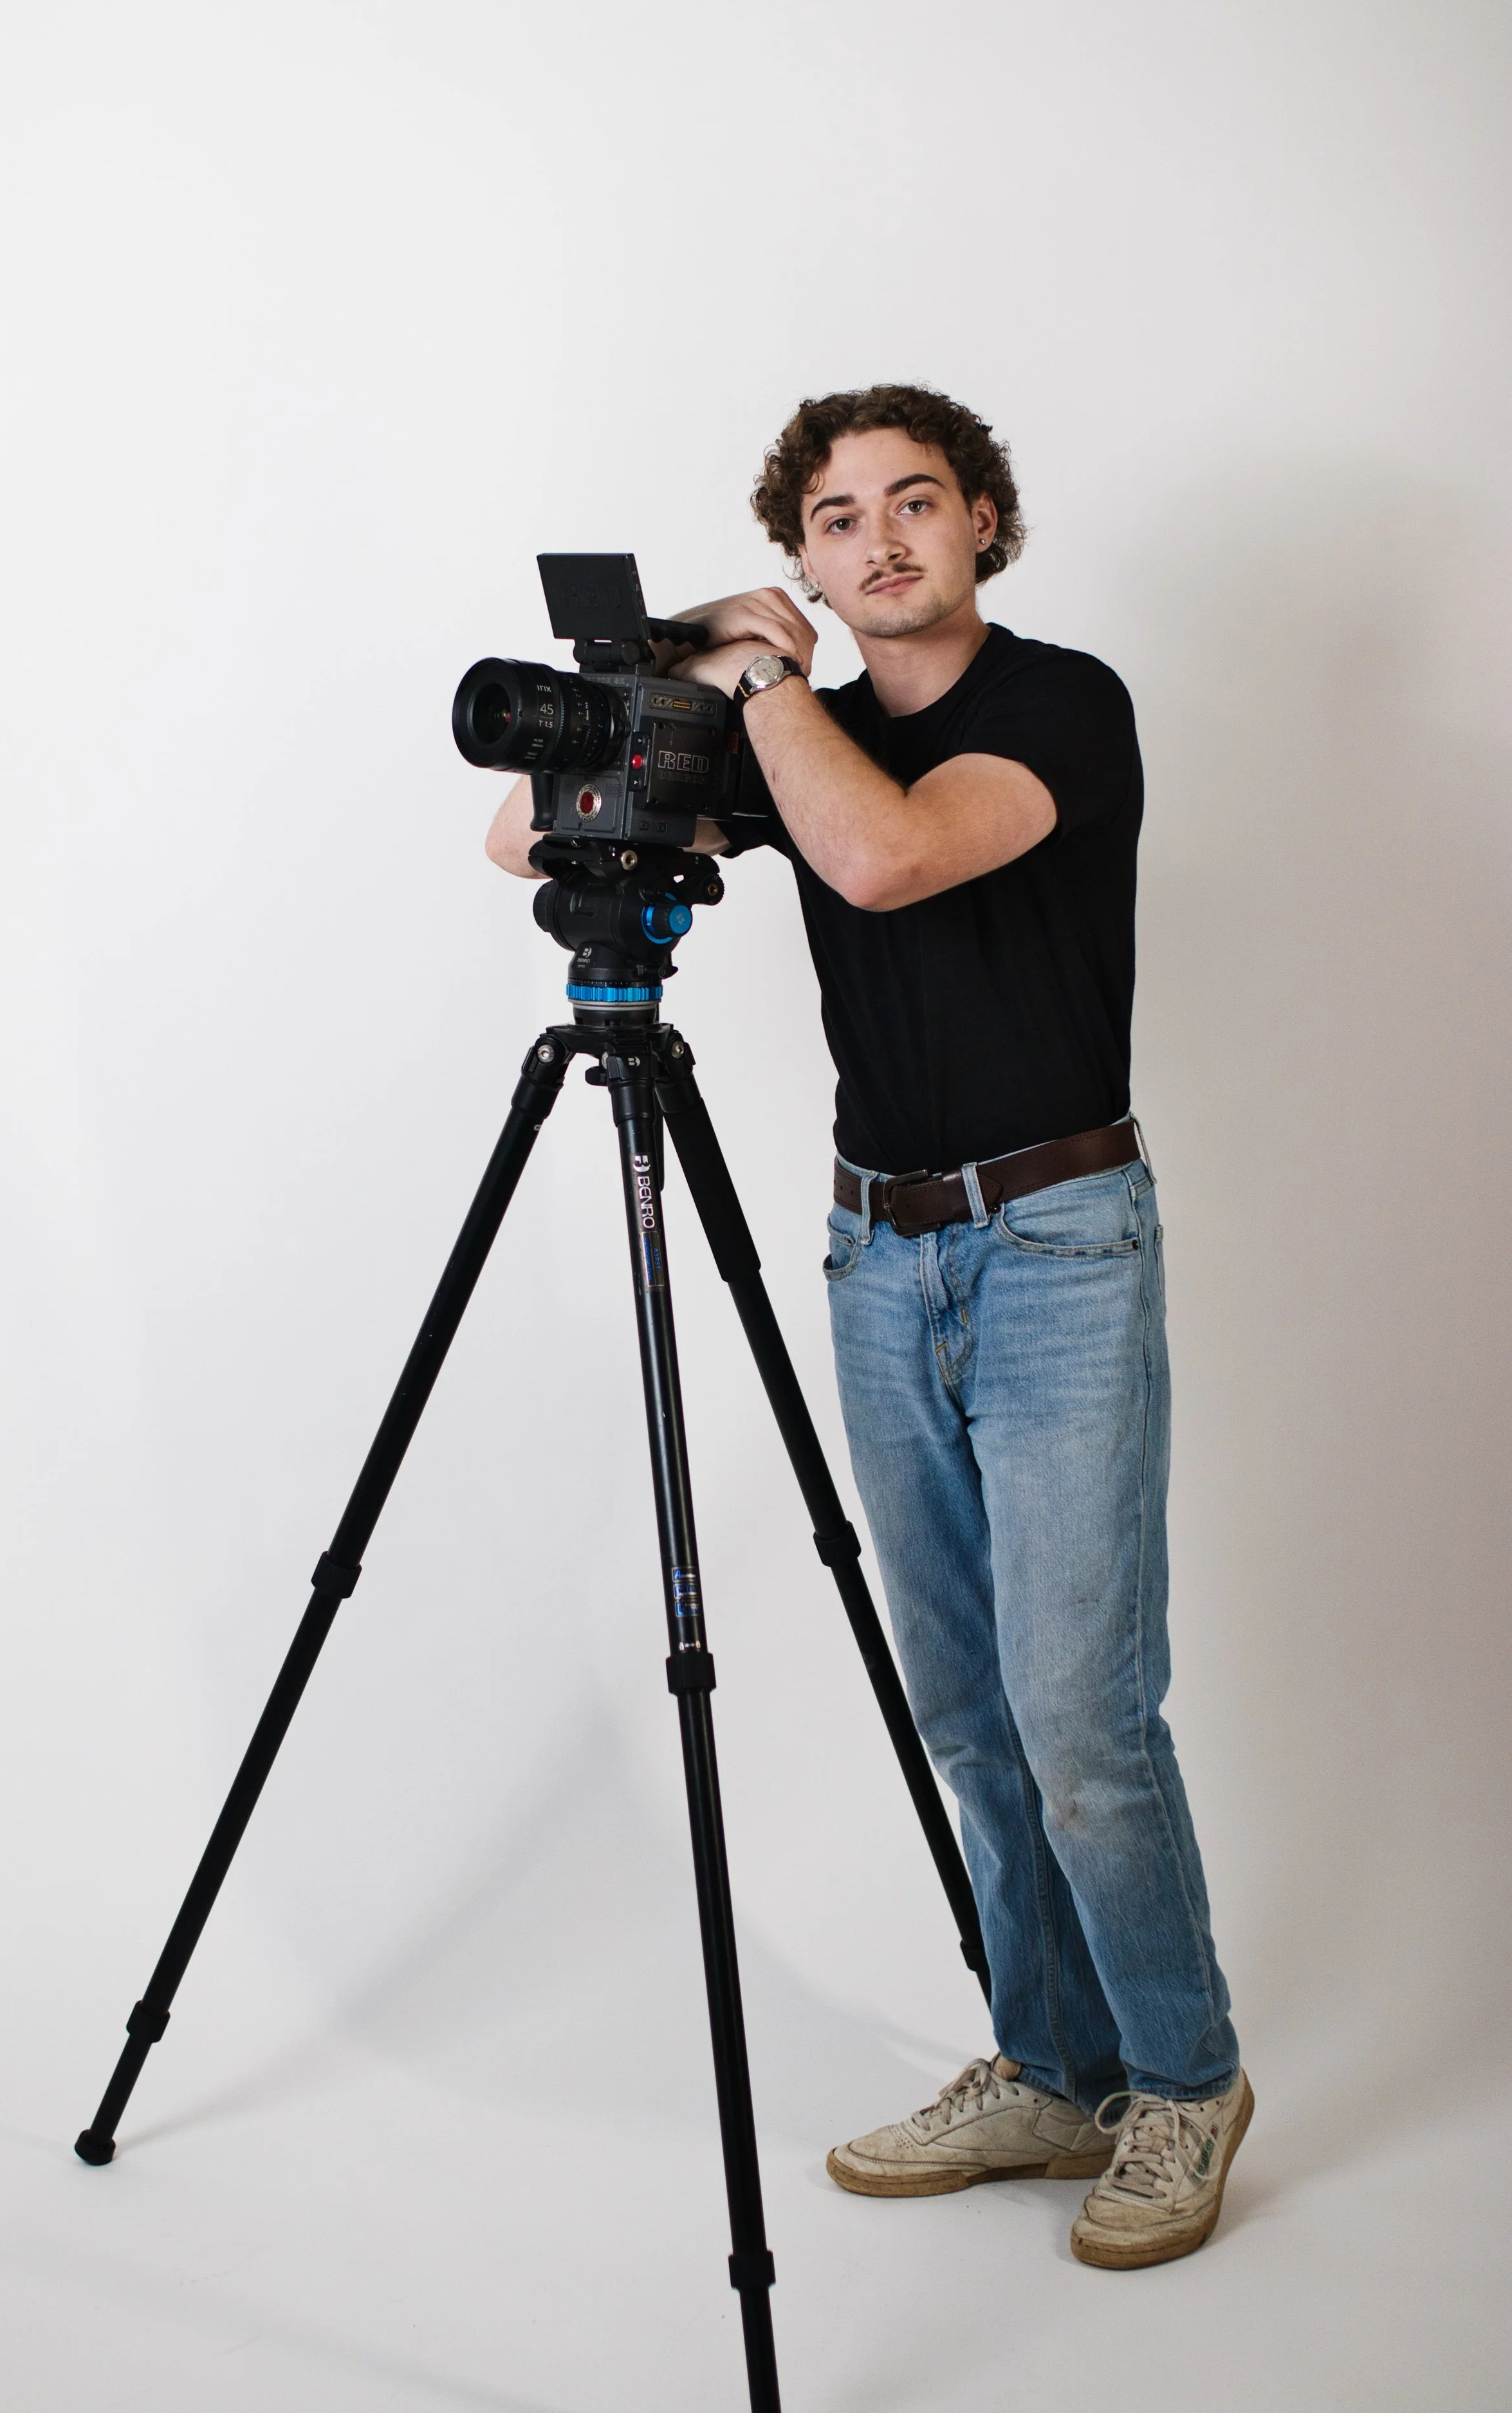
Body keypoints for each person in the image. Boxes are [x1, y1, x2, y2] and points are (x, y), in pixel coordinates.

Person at [484, 383, 1249, 2270]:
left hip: (1058, 1239)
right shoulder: (791, 720)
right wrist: (673, 658)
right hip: (871, 1249)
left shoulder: (1060, 702)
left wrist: (764, 692)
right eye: (833, 521)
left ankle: (1183, 2074)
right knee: (969, 1711)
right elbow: (525, 837)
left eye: (915, 504)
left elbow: (889, 854)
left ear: (983, 523)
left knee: (1082, 1713)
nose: (877, 540)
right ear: (803, 554)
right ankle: (1050, 2062)